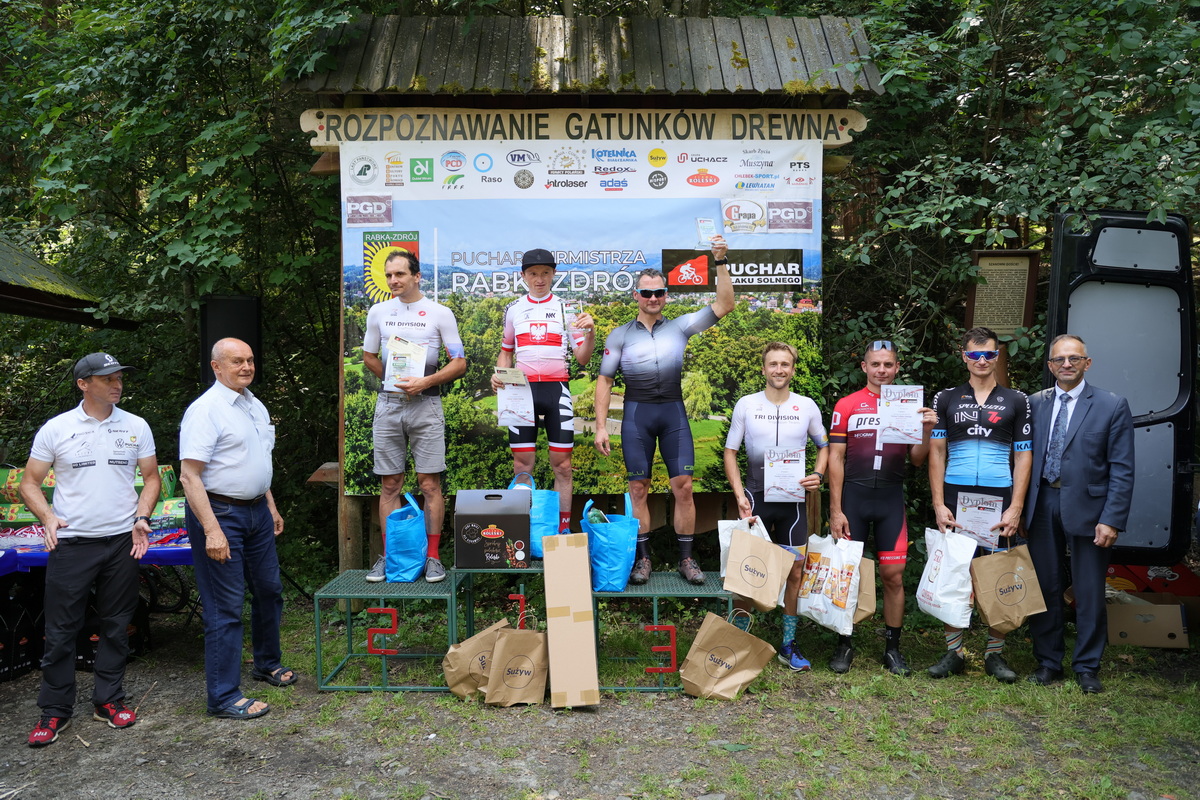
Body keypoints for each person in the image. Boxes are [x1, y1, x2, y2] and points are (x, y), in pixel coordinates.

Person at [21, 353, 160, 746]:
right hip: (72, 542)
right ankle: (55, 711)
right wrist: (48, 516)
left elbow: (150, 478)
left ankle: (108, 701)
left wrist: (142, 516)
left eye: (119, 377)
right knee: (61, 631)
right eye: (106, 378)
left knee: (116, 626)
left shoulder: (136, 425)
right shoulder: (57, 428)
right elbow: (29, 482)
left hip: (121, 541)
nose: (117, 384)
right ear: (83, 384)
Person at [594, 238, 735, 585]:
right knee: (638, 489)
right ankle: (644, 560)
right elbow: (604, 381)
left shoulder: (681, 327)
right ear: (636, 296)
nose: (653, 298)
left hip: (672, 412)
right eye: (646, 293)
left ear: (666, 296)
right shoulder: (618, 336)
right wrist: (600, 426)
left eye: (659, 293)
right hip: (637, 416)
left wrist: (720, 261)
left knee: (683, 486)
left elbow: (726, 304)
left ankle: (686, 559)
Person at [180, 338, 293, 720]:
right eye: (236, 361)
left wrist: (270, 506)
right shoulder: (206, 411)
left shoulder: (253, 404)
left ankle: (266, 662)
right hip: (220, 514)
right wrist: (212, 530)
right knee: (225, 607)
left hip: (257, 511)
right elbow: (190, 476)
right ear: (216, 367)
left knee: (269, 590)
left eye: (250, 359)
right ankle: (223, 696)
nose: (246, 366)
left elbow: (259, 462)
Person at [1024, 335, 1134, 694]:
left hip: (1092, 510)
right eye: (1059, 359)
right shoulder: (1035, 404)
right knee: (1045, 586)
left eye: (1074, 358)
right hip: (1042, 505)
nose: (1066, 364)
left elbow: (1122, 468)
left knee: (1088, 590)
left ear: (1087, 363)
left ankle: (1087, 666)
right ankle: (1048, 662)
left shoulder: (1111, 405)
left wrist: (1112, 518)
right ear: (1050, 365)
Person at [927, 326, 1032, 682]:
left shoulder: (1017, 399)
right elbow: (937, 452)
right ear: (964, 357)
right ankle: (954, 651)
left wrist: (1016, 506)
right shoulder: (946, 398)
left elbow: (1023, 456)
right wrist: (939, 503)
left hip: (999, 496)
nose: (982, 360)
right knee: (954, 573)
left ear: (998, 355)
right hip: (956, 495)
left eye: (988, 353)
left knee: (998, 574)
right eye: (975, 354)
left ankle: (994, 654)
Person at [827, 340, 936, 675]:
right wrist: (835, 509)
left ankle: (892, 649)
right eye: (875, 364)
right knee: (847, 576)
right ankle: (844, 644)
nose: (882, 370)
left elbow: (917, 460)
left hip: (890, 497)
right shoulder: (847, 405)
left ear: (897, 367)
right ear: (864, 367)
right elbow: (835, 458)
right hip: (854, 499)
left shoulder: (908, 404)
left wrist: (927, 428)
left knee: (893, 576)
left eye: (888, 365)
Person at [361, 250, 466, 583]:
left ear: (417, 276)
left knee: (429, 484)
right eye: (389, 275)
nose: (393, 281)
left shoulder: (440, 313)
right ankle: (392, 557)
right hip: (388, 405)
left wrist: (425, 382)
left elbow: (459, 362)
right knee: (390, 484)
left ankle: (433, 558)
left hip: (427, 405)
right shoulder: (378, 311)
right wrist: (392, 381)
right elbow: (368, 355)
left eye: (400, 275)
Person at [723, 342, 828, 670]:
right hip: (755, 500)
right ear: (764, 368)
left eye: (785, 364)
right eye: (773, 364)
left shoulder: (807, 406)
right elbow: (730, 453)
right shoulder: (747, 405)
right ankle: (738, 643)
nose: (779, 369)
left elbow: (824, 446)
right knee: (746, 572)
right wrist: (739, 495)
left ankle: (788, 644)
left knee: (795, 571)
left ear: (793, 369)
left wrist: (818, 474)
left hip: (793, 505)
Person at [490, 248, 595, 531]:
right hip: (520, 393)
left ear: (553, 274)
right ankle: (520, 531)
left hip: (555, 390)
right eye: (533, 273)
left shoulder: (567, 308)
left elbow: (583, 357)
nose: (539, 279)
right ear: (523, 275)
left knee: (562, 465)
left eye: (545, 273)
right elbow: (505, 351)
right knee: (522, 466)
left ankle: (562, 529)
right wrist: (498, 375)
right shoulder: (513, 309)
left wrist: (591, 332)